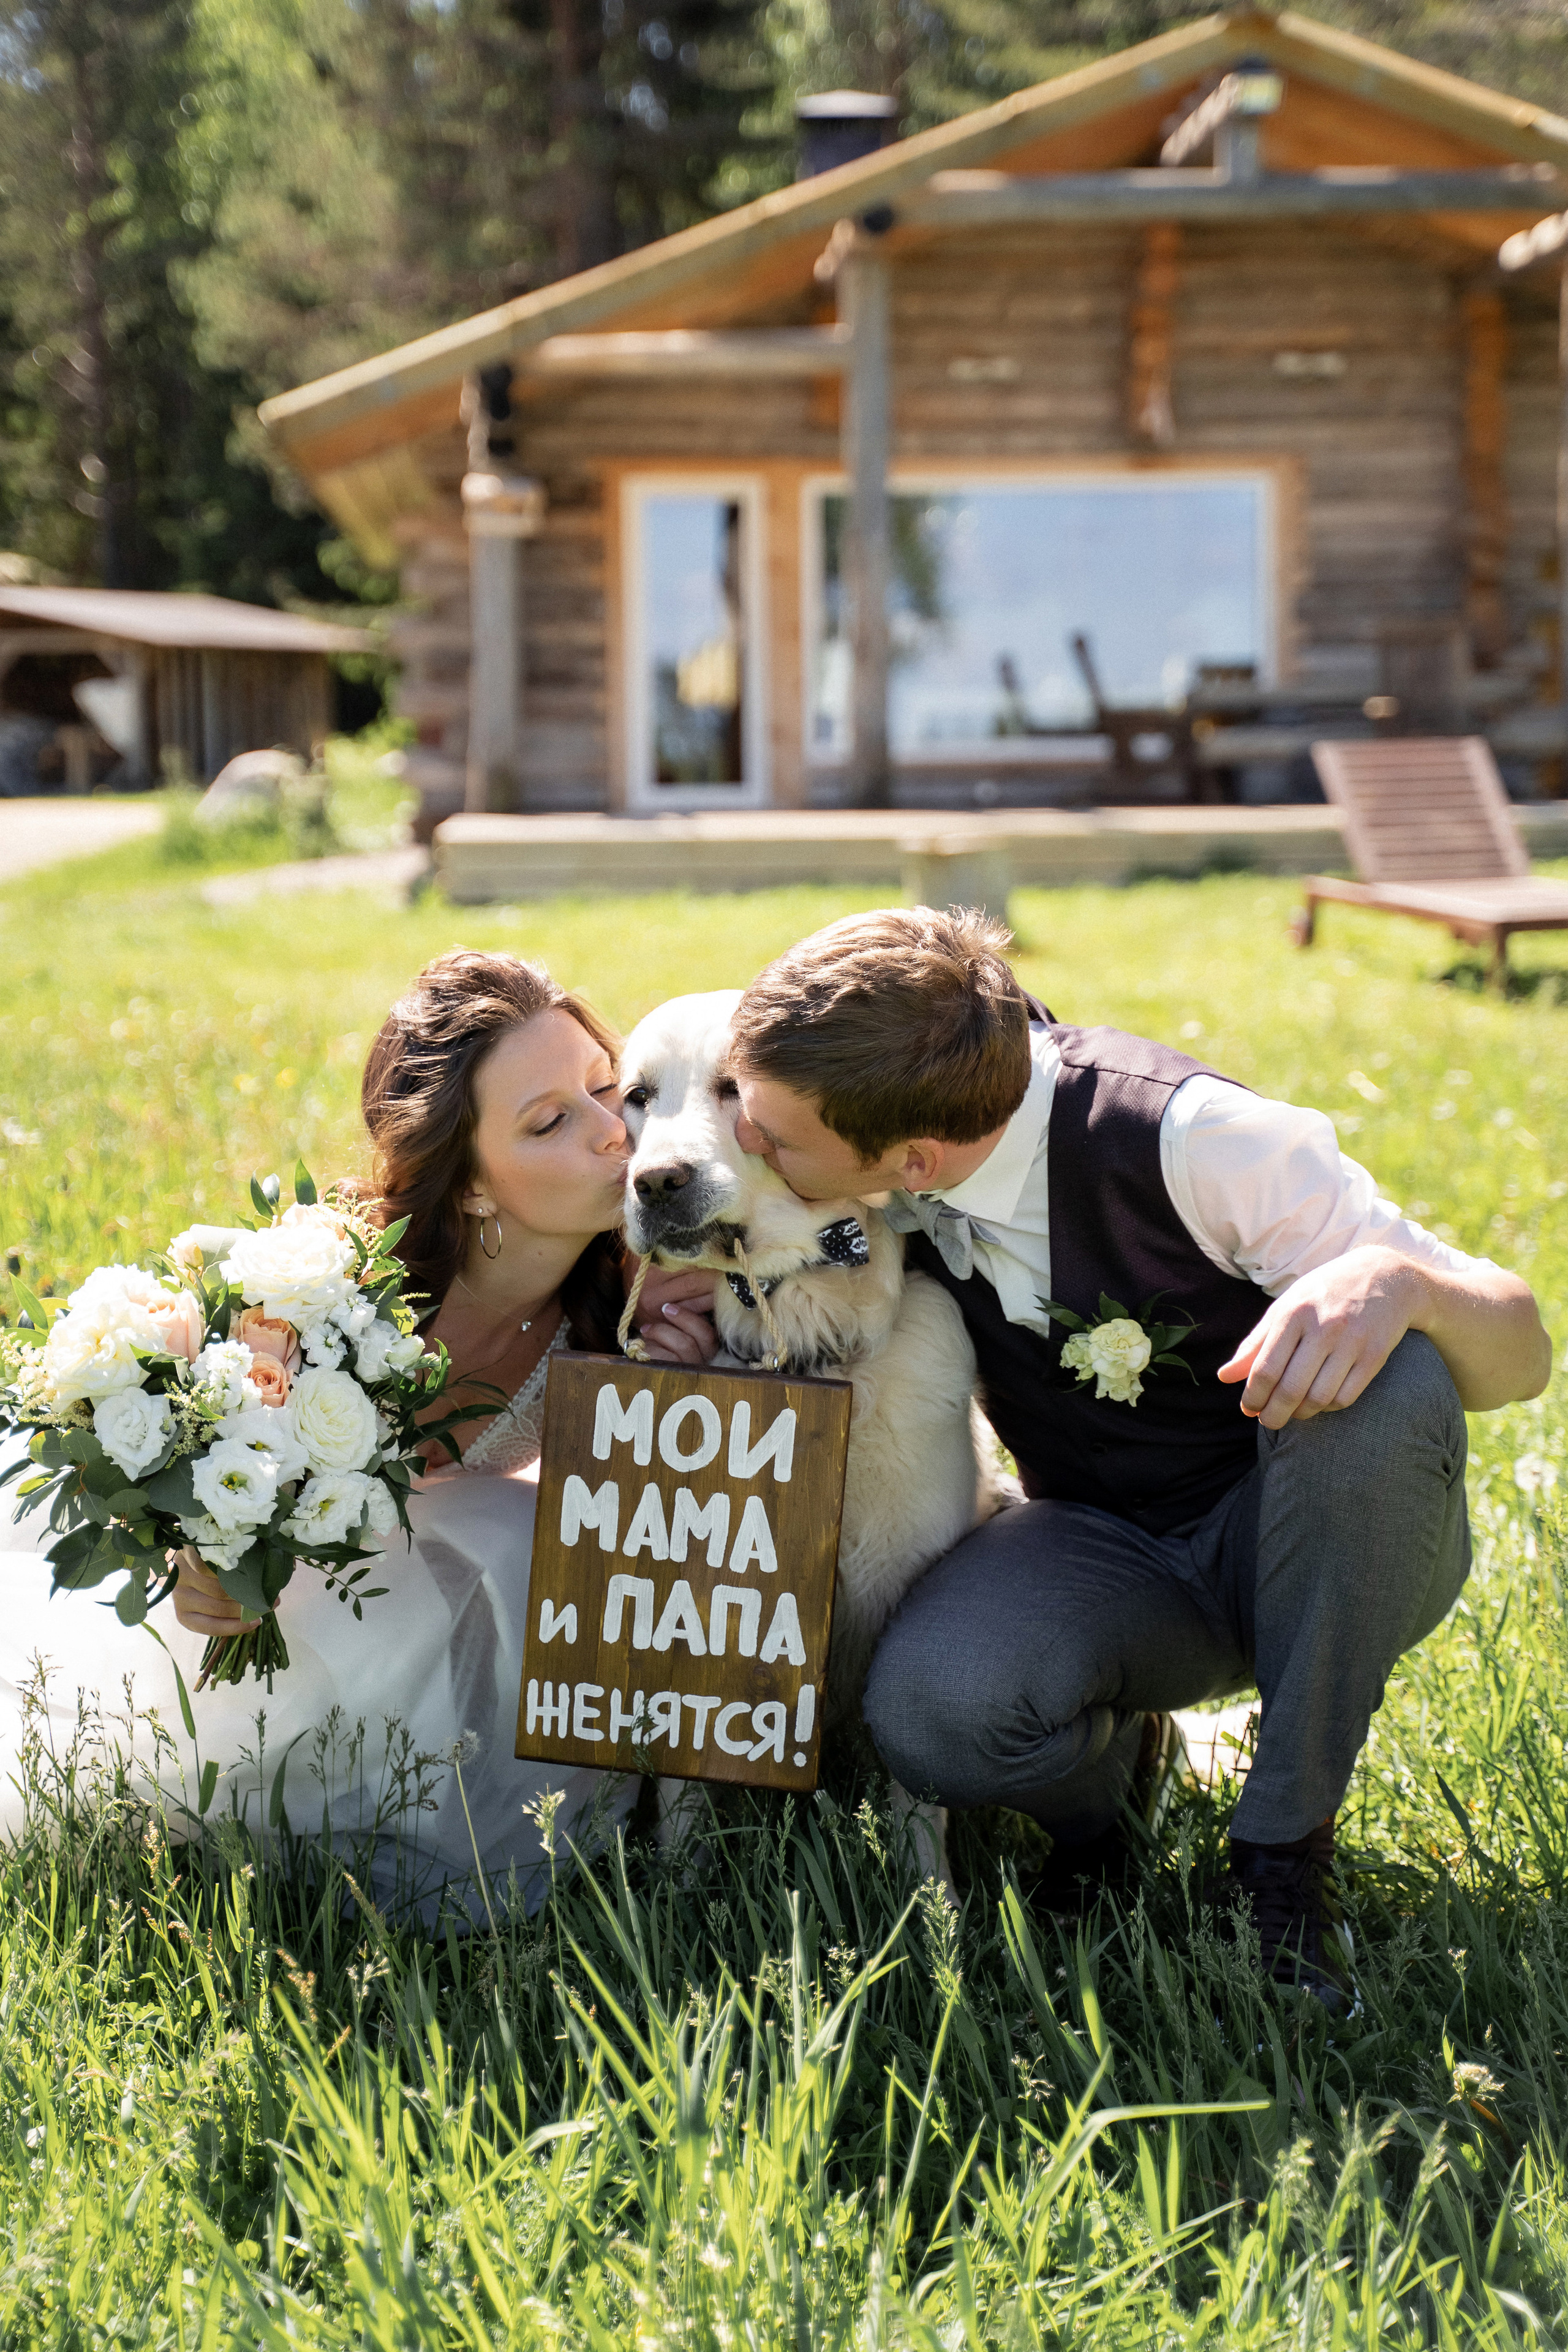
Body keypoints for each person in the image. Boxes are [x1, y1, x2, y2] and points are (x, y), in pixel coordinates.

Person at [725, 907, 1551, 1999]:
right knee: (931, 1710)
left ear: (913, 1161)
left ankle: (1281, 1853)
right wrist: (705, 1293)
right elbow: (792, 1258)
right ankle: (1107, 1803)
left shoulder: (1199, 1142)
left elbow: (1524, 1354)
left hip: (1310, 1542)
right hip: (1106, 1550)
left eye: (775, 1138)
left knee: (1392, 1378)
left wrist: (1407, 1287)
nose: (750, 1143)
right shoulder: (897, 1156)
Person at [0, 951, 712, 1915]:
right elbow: (196, 1458)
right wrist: (201, 1560)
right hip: (284, 1622)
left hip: (428, 1632)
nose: (612, 1132)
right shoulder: (329, 1295)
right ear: (471, 1186)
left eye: (605, 1087)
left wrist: (668, 1400)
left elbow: (662, 1529)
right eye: (549, 1122)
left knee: (514, 1530)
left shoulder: (647, 1289)